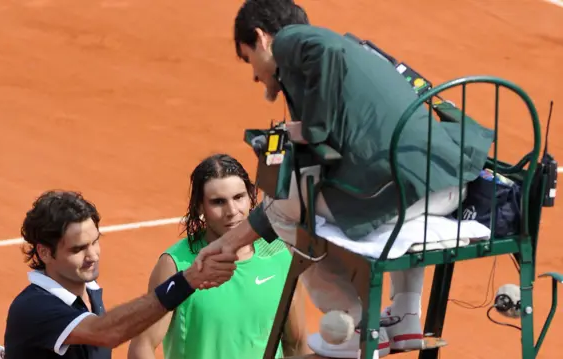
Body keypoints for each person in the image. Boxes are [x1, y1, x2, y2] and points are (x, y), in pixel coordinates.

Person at [195, 0, 495, 357]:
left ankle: (355, 323)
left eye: (250, 60)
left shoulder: (291, 41)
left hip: (406, 192)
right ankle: (405, 316)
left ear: (261, 38)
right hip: (446, 183)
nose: (255, 76)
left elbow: (327, 52)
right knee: (310, 195)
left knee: (285, 204)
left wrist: (314, 129)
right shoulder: (356, 53)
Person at [3, 190, 237, 359]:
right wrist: (186, 281)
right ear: (44, 252)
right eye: (78, 249)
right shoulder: (35, 308)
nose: (92, 255)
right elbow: (107, 332)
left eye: (95, 242)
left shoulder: (90, 292)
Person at [127, 153, 311, 359]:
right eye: (218, 202)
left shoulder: (281, 255)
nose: (232, 211)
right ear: (199, 207)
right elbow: (142, 346)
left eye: (238, 197)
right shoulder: (177, 265)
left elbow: (296, 343)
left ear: (251, 197)